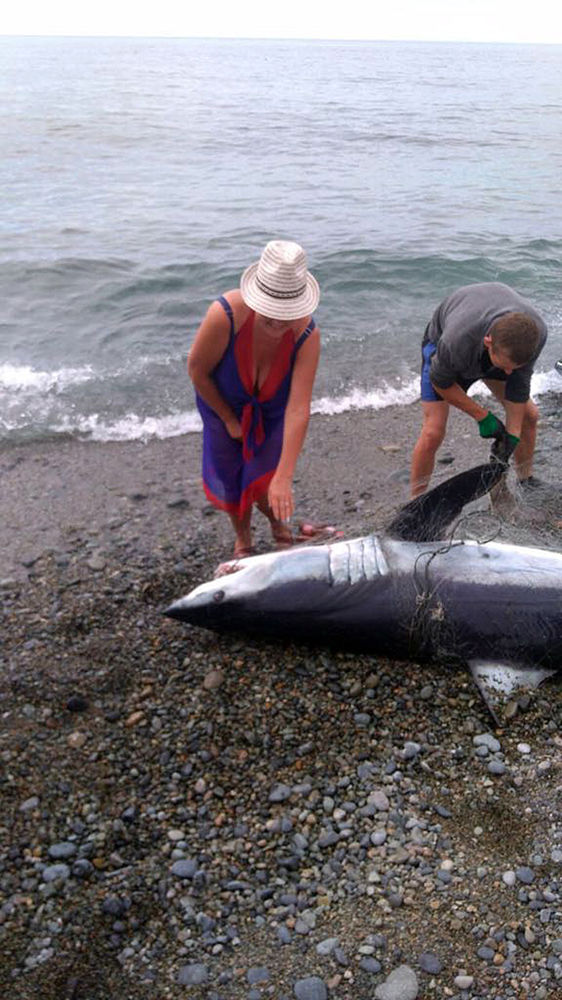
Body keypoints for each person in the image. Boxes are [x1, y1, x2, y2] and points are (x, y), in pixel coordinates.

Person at [189, 240, 337, 563]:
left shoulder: (306, 335)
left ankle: (278, 526)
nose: (278, 324)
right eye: (270, 314)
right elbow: (197, 371)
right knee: (231, 474)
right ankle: (243, 537)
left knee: (266, 475)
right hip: (221, 402)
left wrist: (285, 476)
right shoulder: (225, 315)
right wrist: (229, 419)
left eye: (287, 315)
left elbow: (299, 407)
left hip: (272, 411)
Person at [411, 282, 547, 497]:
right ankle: (416, 501)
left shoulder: (534, 336)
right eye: (505, 367)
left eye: (514, 368)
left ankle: (525, 481)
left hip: (497, 349)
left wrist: (511, 437)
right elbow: (441, 382)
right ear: (488, 342)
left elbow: (518, 390)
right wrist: (482, 416)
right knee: (433, 431)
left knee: (529, 416)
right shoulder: (457, 340)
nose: (509, 374)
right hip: (446, 351)